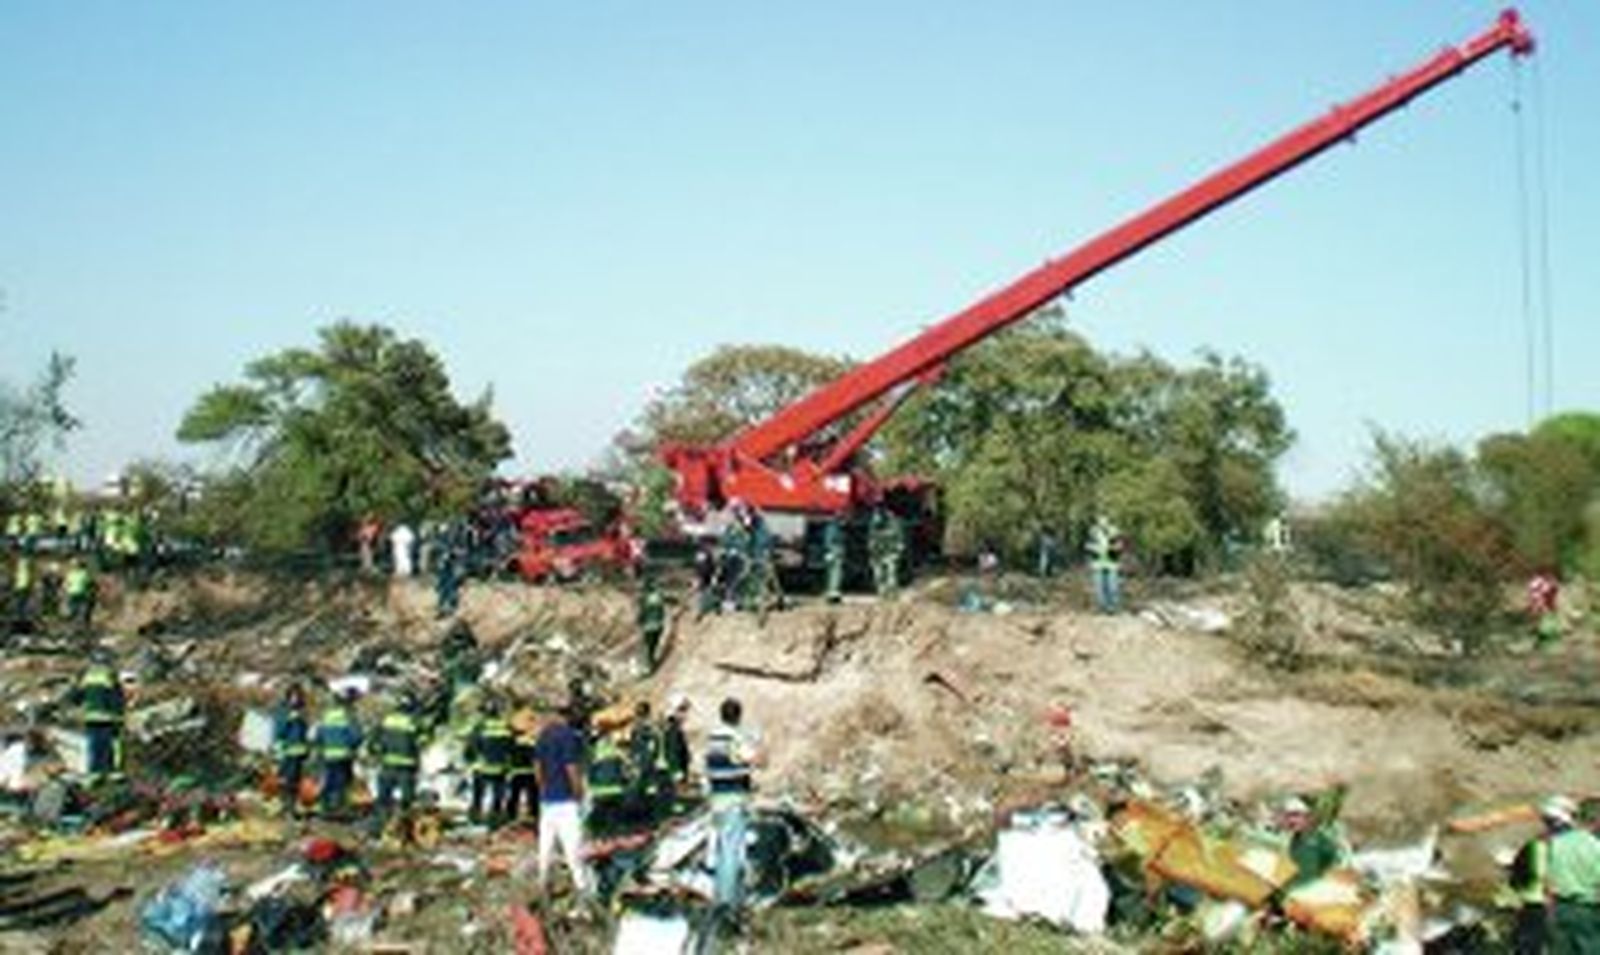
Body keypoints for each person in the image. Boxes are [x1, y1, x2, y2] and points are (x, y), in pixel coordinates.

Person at [705, 696, 762, 922]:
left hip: (716, 800)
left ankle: (719, 895)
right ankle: (727, 904)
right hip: (734, 800)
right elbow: (758, 760)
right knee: (732, 851)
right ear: (738, 715)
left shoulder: (713, 738)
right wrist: (758, 743)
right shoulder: (737, 738)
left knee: (720, 850)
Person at [533, 705, 590, 894]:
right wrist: (578, 793)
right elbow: (571, 767)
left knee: (545, 845)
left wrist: (543, 789)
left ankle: (541, 883)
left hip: (547, 800)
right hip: (566, 800)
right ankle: (582, 888)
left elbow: (537, 767)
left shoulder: (543, 735)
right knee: (573, 847)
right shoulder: (568, 736)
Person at [1533, 794, 1600, 952]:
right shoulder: (1595, 846)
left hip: (1560, 908)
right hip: (1587, 910)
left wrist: (1549, 911)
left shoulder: (1554, 844)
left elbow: (1546, 882)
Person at [373, 690, 423, 827]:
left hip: (387, 765)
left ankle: (379, 826)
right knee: (406, 800)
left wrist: (378, 753)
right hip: (406, 767)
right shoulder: (414, 722)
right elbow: (421, 742)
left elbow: (374, 741)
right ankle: (402, 827)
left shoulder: (387, 720)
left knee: (383, 798)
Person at [76, 651, 126, 783]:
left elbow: (77, 697)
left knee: (93, 746)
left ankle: (94, 773)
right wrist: (120, 717)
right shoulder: (110, 676)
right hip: (108, 717)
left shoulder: (86, 677)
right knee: (112, 745)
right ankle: (114, 772)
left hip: (91, 717)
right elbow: (116, 698)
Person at [314, 688, 364, 817]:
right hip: (343, 755)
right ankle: (339, 808)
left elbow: (319, 736)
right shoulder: (349, 715)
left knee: (329, 781)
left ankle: (325, 808)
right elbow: (357, 736)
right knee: (342, 782)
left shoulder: (327, 715)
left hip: (327, 755)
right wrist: (353, 746)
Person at [468, 698, 513, 827]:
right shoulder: (505, 726)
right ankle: (495, 818)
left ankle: (476, 816)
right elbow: (510, 746)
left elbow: (472, 746)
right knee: (498, 796)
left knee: (478, 795)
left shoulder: (480, 726)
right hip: (500, 768)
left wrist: (471, 759)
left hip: (482, 767)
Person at [272, 684, 312, 817]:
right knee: (285, 780)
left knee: (295, 781)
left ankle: (292, 806)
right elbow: (279, 732)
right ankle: (285, 806)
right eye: (294, 696)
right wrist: (289, 720)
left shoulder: (302, 712)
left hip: (299, 753)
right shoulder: (282, 712)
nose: (296, 699)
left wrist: (307, 748)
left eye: (298, 696)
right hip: (286, 752)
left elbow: (304, 733)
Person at [584, 728, 630, 837]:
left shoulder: (593, 752)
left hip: (599, 790)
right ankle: (613, 834)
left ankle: (598, 836)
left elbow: (590, 771)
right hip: (616, 789)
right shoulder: (617, 751)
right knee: (613, 815)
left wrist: (590, 786)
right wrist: (625, 783)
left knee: (600, 814)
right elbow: (625, 769)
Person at [505, 706, 540, 824]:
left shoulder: (515, 740)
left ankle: (511, 816)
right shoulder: (532, 739)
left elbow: (510, 755)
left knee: (514, 795)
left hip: (517, 771)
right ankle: (534, 816)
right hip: (530, 772)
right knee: (533, 796)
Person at [1086, 515, 1123, 614]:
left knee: (1113, 585)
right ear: (1098, 521)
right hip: (1098, 563)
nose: (1103, 522)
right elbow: (1087, 546)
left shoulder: (1114, 532)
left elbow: (1120, 546)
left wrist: (1112, 548)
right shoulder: (1093, 532)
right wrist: (1094, 548)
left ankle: (1113, 606)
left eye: (1105, 520)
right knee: (1099, 586)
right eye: (1101, 520)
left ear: (1108, 521)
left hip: (1112, 563)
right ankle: (1102, 606)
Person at [636, 575, 667, 675]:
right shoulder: (658, 596)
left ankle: (648, 666)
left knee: (647, 647)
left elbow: (642, 613)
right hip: (658, 625)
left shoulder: (645, 599)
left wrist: (639, 621)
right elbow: (662, 611)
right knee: (654, 645)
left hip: (648, 627)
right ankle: (652, 662)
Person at [662, 694, 692, 789]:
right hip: (674, 780)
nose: (685, 714)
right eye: (682, 710)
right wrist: (678, 776)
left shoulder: (673, 729)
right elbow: (672, 754)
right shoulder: (673, 730)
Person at [63, 557, 95, 630]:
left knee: (81, 611)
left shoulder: (83, 573)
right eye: (73, 564)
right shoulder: (71, 574)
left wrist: (90, 592)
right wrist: (65, 589)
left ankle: (81, 626)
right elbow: (66, 583)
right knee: (74, 611)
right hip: (73, 594)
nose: (74, 566)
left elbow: (90, 583)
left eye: (75, 564)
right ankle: (75, 627)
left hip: (81, 594)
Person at [821, 518, 845, 604]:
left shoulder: (832, 527)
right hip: (834, 551)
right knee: (835, 571)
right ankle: (833, 592)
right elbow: (831, 541)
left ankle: (832, 591)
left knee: (832, 571)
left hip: (833, 551)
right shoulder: (834, 528)